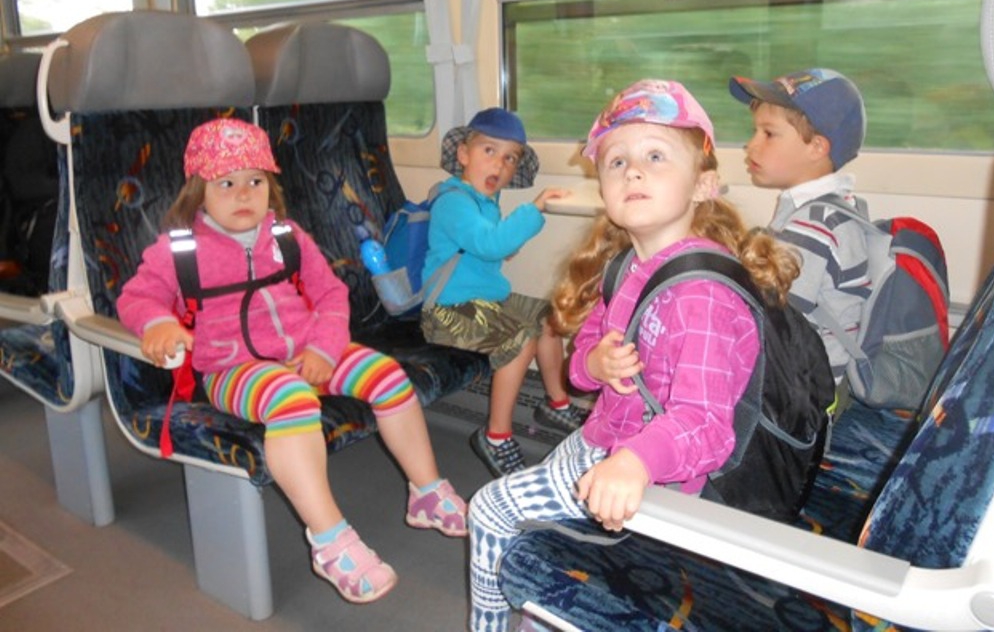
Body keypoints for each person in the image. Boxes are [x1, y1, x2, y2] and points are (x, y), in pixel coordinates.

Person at [467, 79, 800, 632]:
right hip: (605, 438)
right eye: (616, 161)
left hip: (664, 473)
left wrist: (635, 461)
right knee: (540, 523)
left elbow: (704, 425)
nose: (633, 172)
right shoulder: (627, 267)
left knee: (490, 508)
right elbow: (580, 369)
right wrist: (593, 364)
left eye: (655, 157)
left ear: (703, 184)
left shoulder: (701, 296)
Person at [117, 118, 468, 606]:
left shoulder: (287, 236)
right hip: (232, 369)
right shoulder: (179, 252)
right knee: (293, 399)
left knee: (388, 376)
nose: (244, 194)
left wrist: (323, 349)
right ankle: (330, 541)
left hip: (307, 350)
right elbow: (137, 298)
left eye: (255, 181)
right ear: (199, 190)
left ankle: (426, 492)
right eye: (226, 183)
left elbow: (331, 295)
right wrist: (157, 324)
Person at [420, 107, 579, 477]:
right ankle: (496, 435)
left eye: (510, 158)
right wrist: (534, 209)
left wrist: (505, 243)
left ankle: (556, 403)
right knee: (519, 339)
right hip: (447, 309)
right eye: (489, 150)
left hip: (485, 302)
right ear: (464, 154)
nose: (500, 164)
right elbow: (489, 244)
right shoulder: (452, 201)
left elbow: (492, 248)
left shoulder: (484, 201)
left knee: (549, 318)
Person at [730, 67, 868, 416]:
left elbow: (770, 323)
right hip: (800, 377)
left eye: (769, 134)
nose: (751, 144)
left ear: (817, 147)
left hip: (804, 399)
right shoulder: (827, 210)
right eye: (755, 131)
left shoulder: (813, 226)